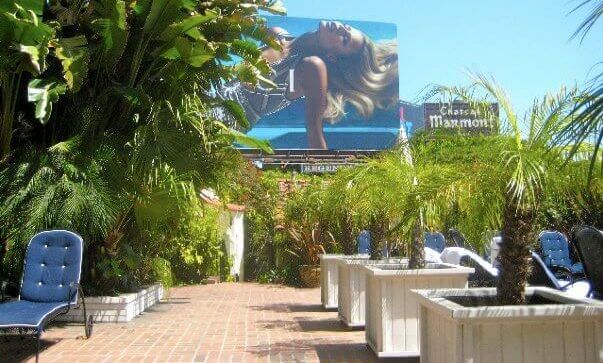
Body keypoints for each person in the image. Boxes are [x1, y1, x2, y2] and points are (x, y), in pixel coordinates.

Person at [215, 20, 399, 149]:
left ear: (332, 56)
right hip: (202, 96)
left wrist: (326, 180)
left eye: (344, 39)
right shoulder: (276, 34)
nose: (341, 28)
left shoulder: (309, 68)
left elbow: (314, 133)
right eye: (347, 28)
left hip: (222, 121)